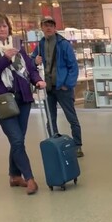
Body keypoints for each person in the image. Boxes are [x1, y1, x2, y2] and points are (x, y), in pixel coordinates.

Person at [0, 12, 46, 195]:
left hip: (22, 97)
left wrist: (37, 80)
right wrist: (5, 58)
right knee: (16, 139)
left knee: (18, 140)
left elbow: (29, 67)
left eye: (4, 25)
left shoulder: (16, 43)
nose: (2, 29)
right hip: (2, 99)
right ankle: (29, 178)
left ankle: (14, 176)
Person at [31, 16, 84, 158]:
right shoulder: (40, 45)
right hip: (48, 89)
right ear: (41, 27)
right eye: (45, 25)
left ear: (55, 28)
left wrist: (68, 84)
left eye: (51, 25)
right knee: (50, 118)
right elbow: (31, 62)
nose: (48, 28)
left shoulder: (64, 44)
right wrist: (35, 61)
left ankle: (78, 145)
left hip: (63, 88)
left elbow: (73, 66)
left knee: (71, 117)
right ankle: (54, 143)